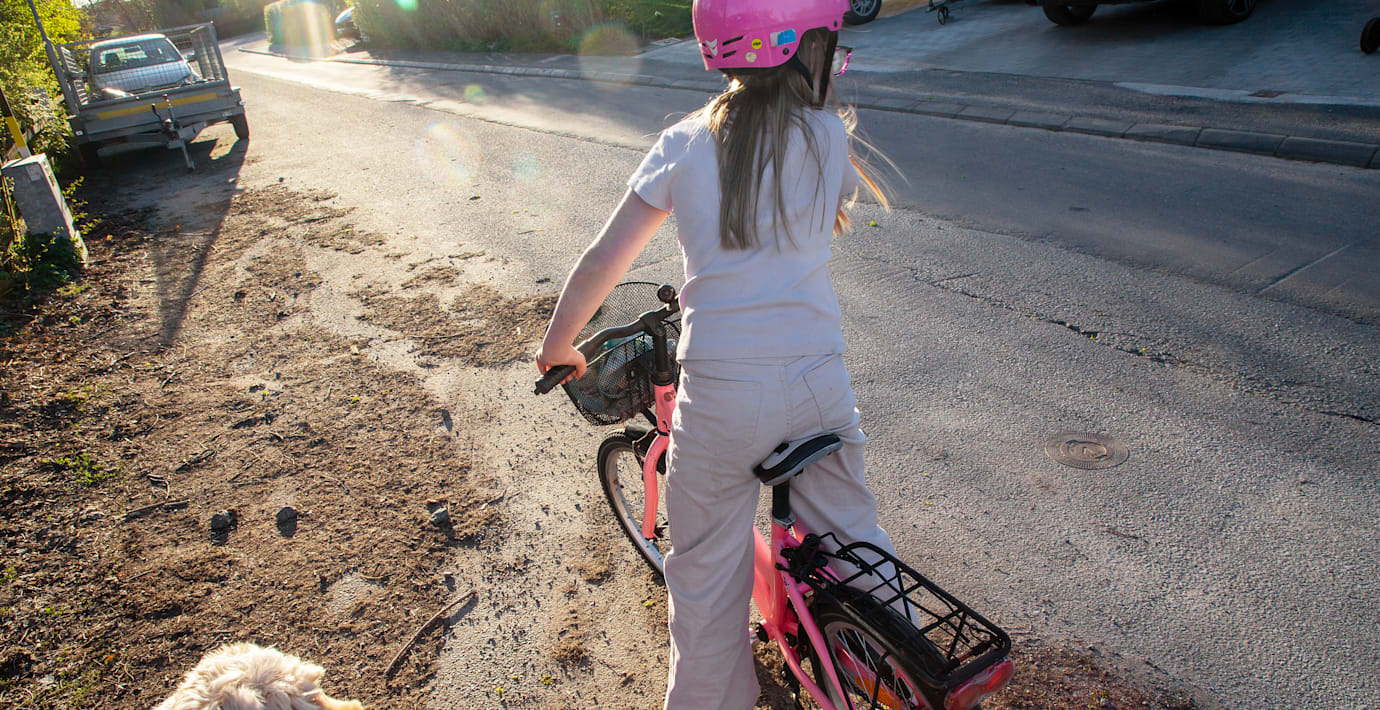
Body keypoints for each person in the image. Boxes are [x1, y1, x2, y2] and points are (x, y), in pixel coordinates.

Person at [536, 0, 897, 707]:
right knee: (856, 539)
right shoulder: (827, 133)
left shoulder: (683, 143)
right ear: (804, 49)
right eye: (830, 45)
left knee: (704, 577)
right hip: (819, 383)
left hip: (724, 396)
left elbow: (604, 260)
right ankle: (903, 667)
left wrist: (558, 344)